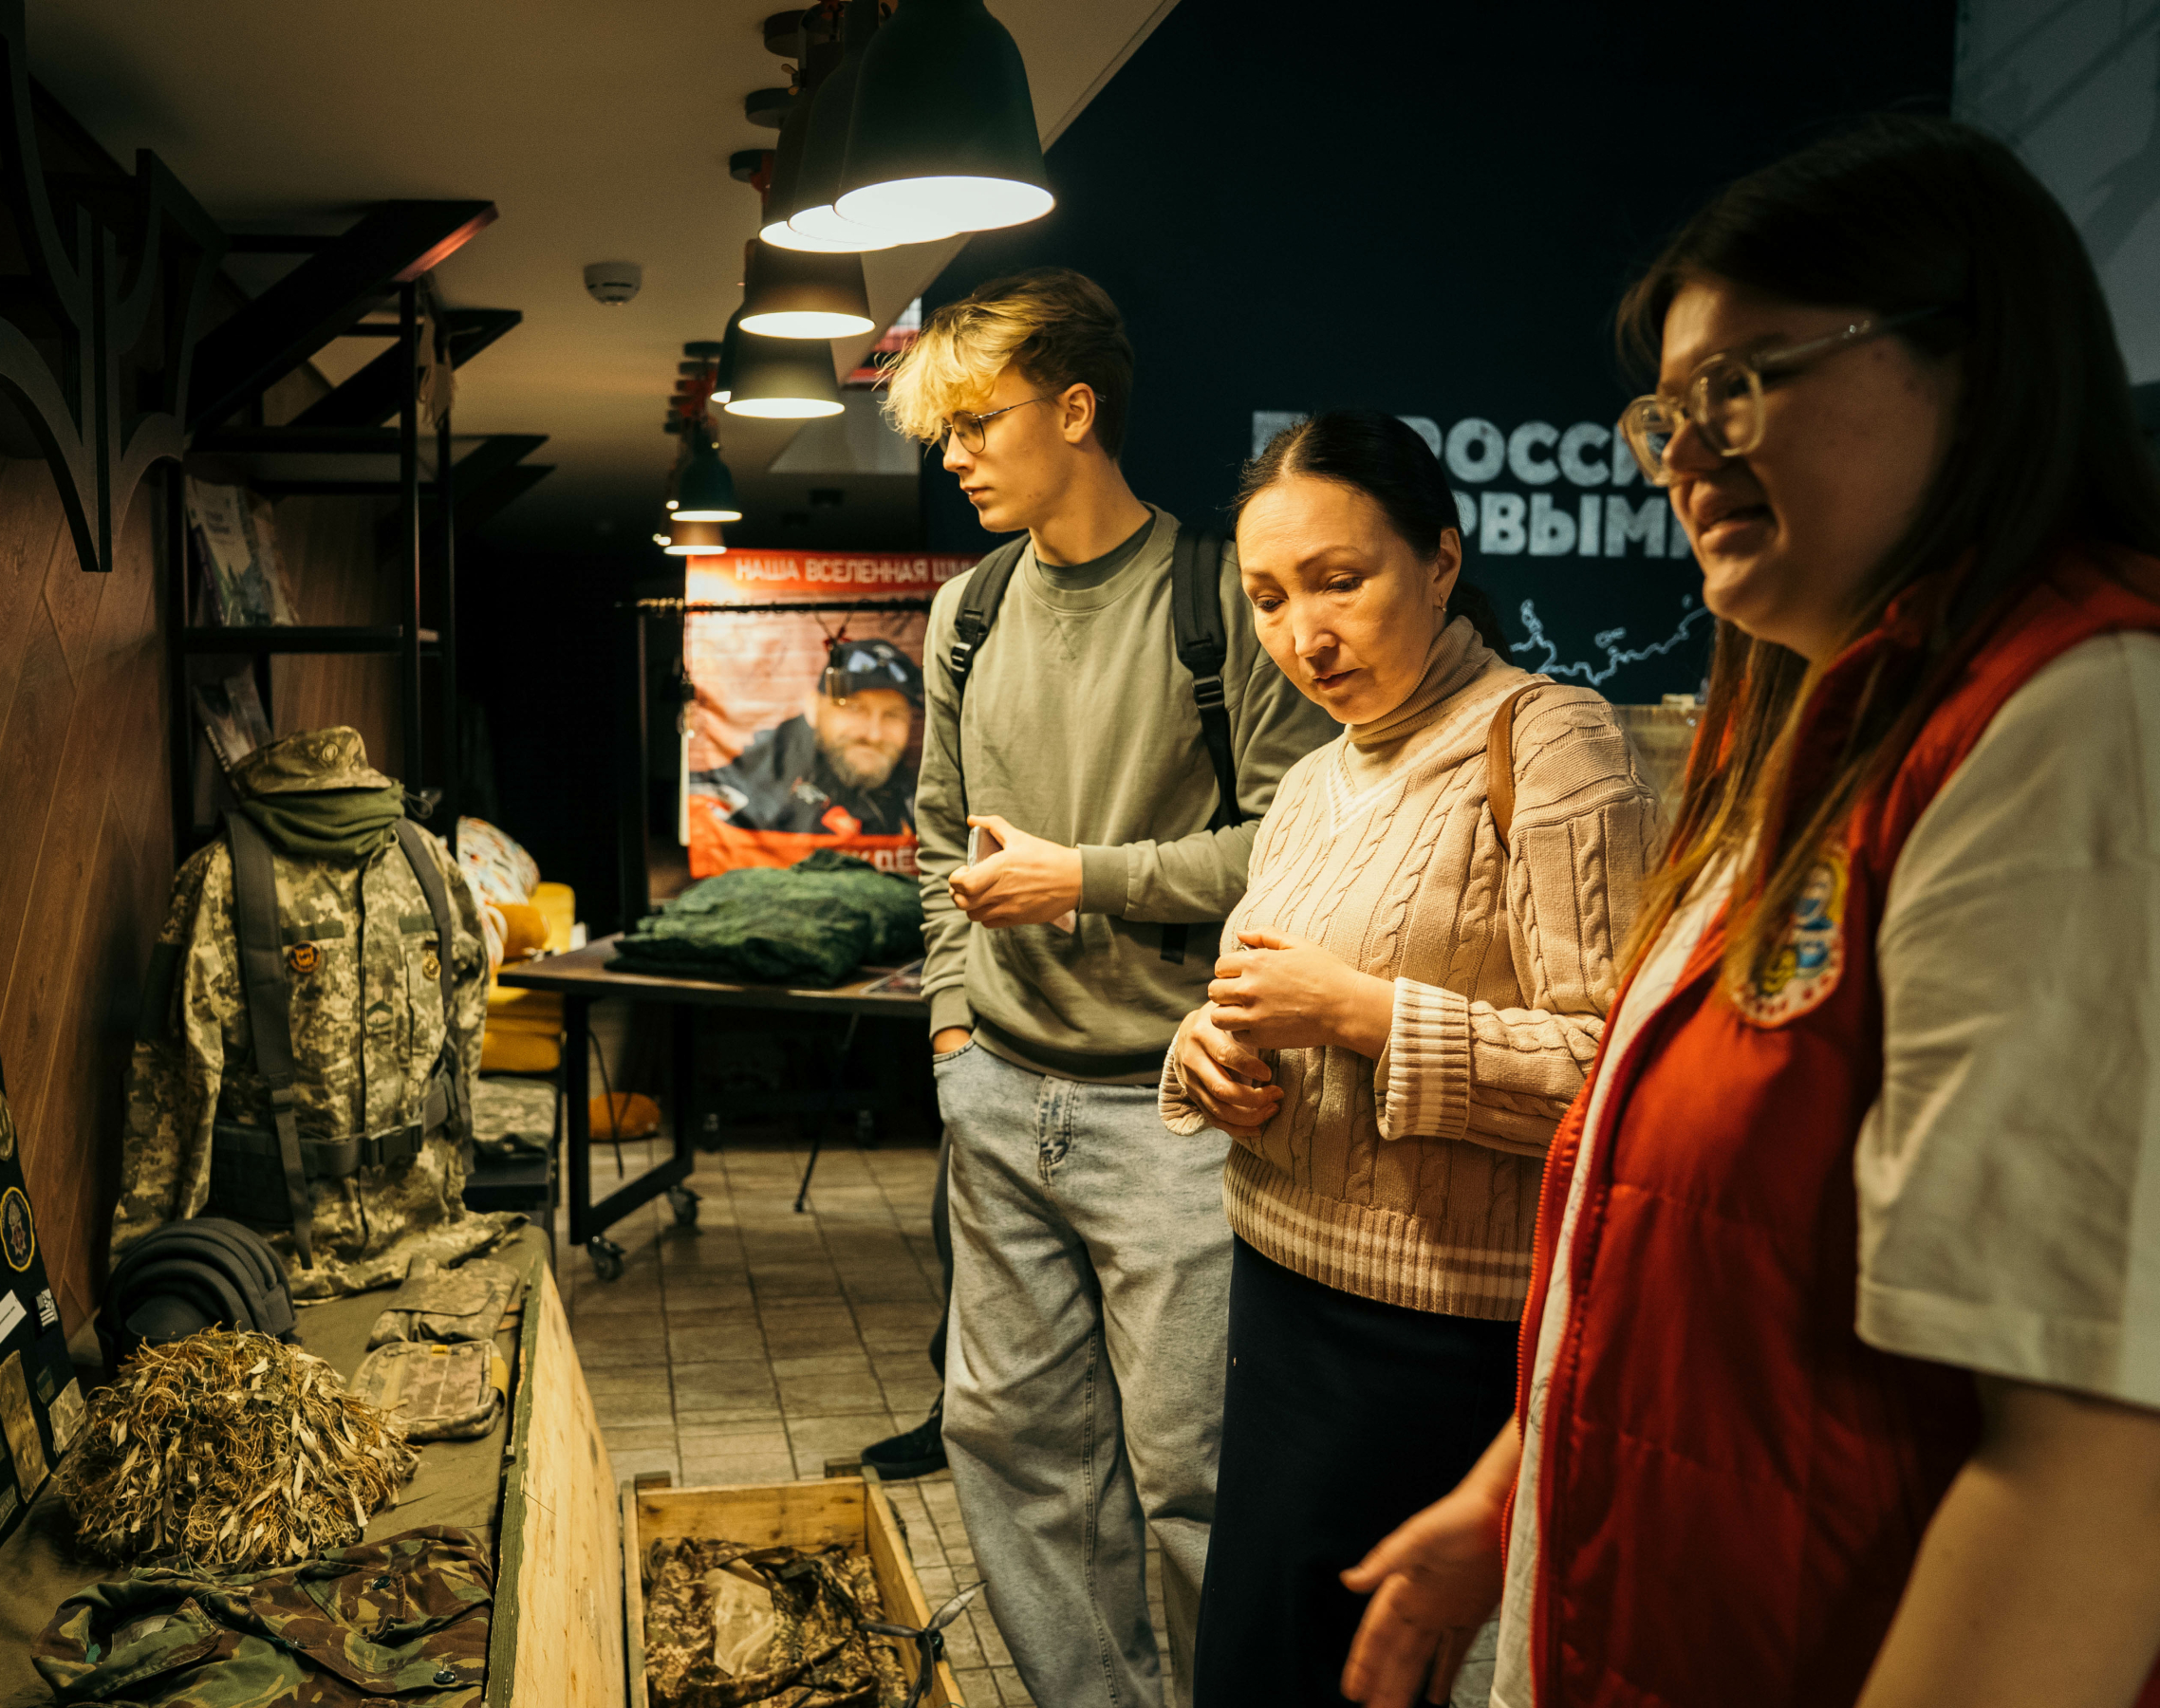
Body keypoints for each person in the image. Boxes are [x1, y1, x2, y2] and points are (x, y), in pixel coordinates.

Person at [1342, 115, 2160, 1708]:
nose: (1685, 453)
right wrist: (1510, 1497)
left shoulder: (2077, 723)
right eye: (1667, 411)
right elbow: (1699, 1258)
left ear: (1974, 362)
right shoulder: (1803, 731)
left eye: (1743, 384)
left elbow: (2095, 1467)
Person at [874, 267, 1329, 1708]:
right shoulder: (965, 612)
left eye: (976, 422)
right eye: (943, 432)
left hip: (1174, 1117)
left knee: (1194, 1475)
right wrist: (953, 1033)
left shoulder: (1220, 598)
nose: (954, 457)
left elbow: (1293, 842)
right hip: (1000, 1096)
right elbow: (936, 839)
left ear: (1076, 410)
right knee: (1010, 1451)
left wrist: (1087, 878)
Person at [1158, 411, 1657, 1704]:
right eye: (1269, 599)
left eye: (1341, 581)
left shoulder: (1551, 740)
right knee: (1252, 1655)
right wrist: (1207, 1052)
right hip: (1276, 1283)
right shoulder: (1315, 779)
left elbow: (1618, 1076)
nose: (1303, 636)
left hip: (1433, 1330)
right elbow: (1262, 994)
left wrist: (1369, 1016)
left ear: (1440, 561)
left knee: (1346, 1674)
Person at [690, 636, 922, 838]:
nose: (873, 734)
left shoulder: (916, 798)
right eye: (853, 708)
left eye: (893, 715)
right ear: (813, 707)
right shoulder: (746, 789)